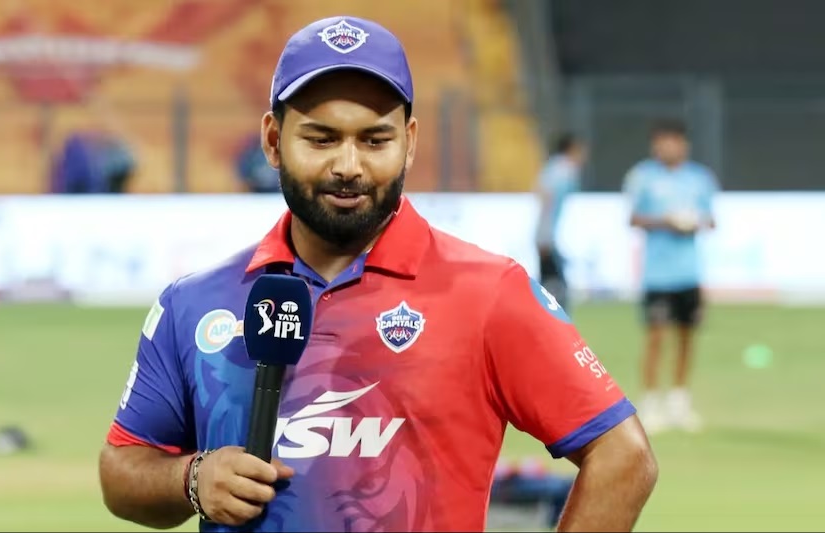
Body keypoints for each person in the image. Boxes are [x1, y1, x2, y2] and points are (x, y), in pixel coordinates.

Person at [98, 16, 658, 532]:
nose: (348, 166)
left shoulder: (489, 293)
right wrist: (191, 478)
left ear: (409, 144)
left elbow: (624, 457)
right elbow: (122, 469)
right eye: (321, 138)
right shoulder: (194, 303)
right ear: (273, 141)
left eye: (375, 140)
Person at [623, 119, 718, 434]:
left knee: (687, 337)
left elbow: (712, 221)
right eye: (661, 142)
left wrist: (693, 222)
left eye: (672, 141)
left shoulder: (700, 178)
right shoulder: (642, 176)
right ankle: (650, 402)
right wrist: (667, 222)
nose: (667, 147)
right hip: (657, 275)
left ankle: (679, 401)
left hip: (688, 273)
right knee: (655, 338)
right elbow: (633, 218)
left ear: (683, 144)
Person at [533, 133, 587, 312]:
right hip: (547, 237)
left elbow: (540, 193)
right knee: (555, 288)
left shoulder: (552, 168)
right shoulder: (565, 170)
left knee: (548, 284)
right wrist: (545, 236)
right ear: (572, 150)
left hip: (546, 235)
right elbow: (546, 198)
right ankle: (555, 322)